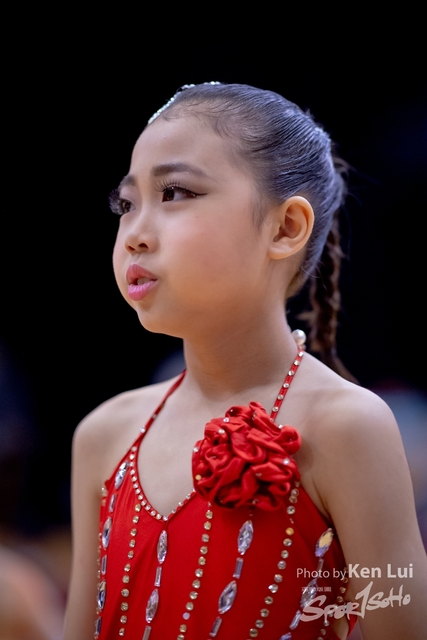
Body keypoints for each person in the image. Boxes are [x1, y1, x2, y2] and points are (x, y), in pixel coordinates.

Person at [63, 82, 427, 640]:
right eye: (126, 205)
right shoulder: (103, 435)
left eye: (175, 193)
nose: (134, 234)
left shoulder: (347, 426)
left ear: (285, 228)